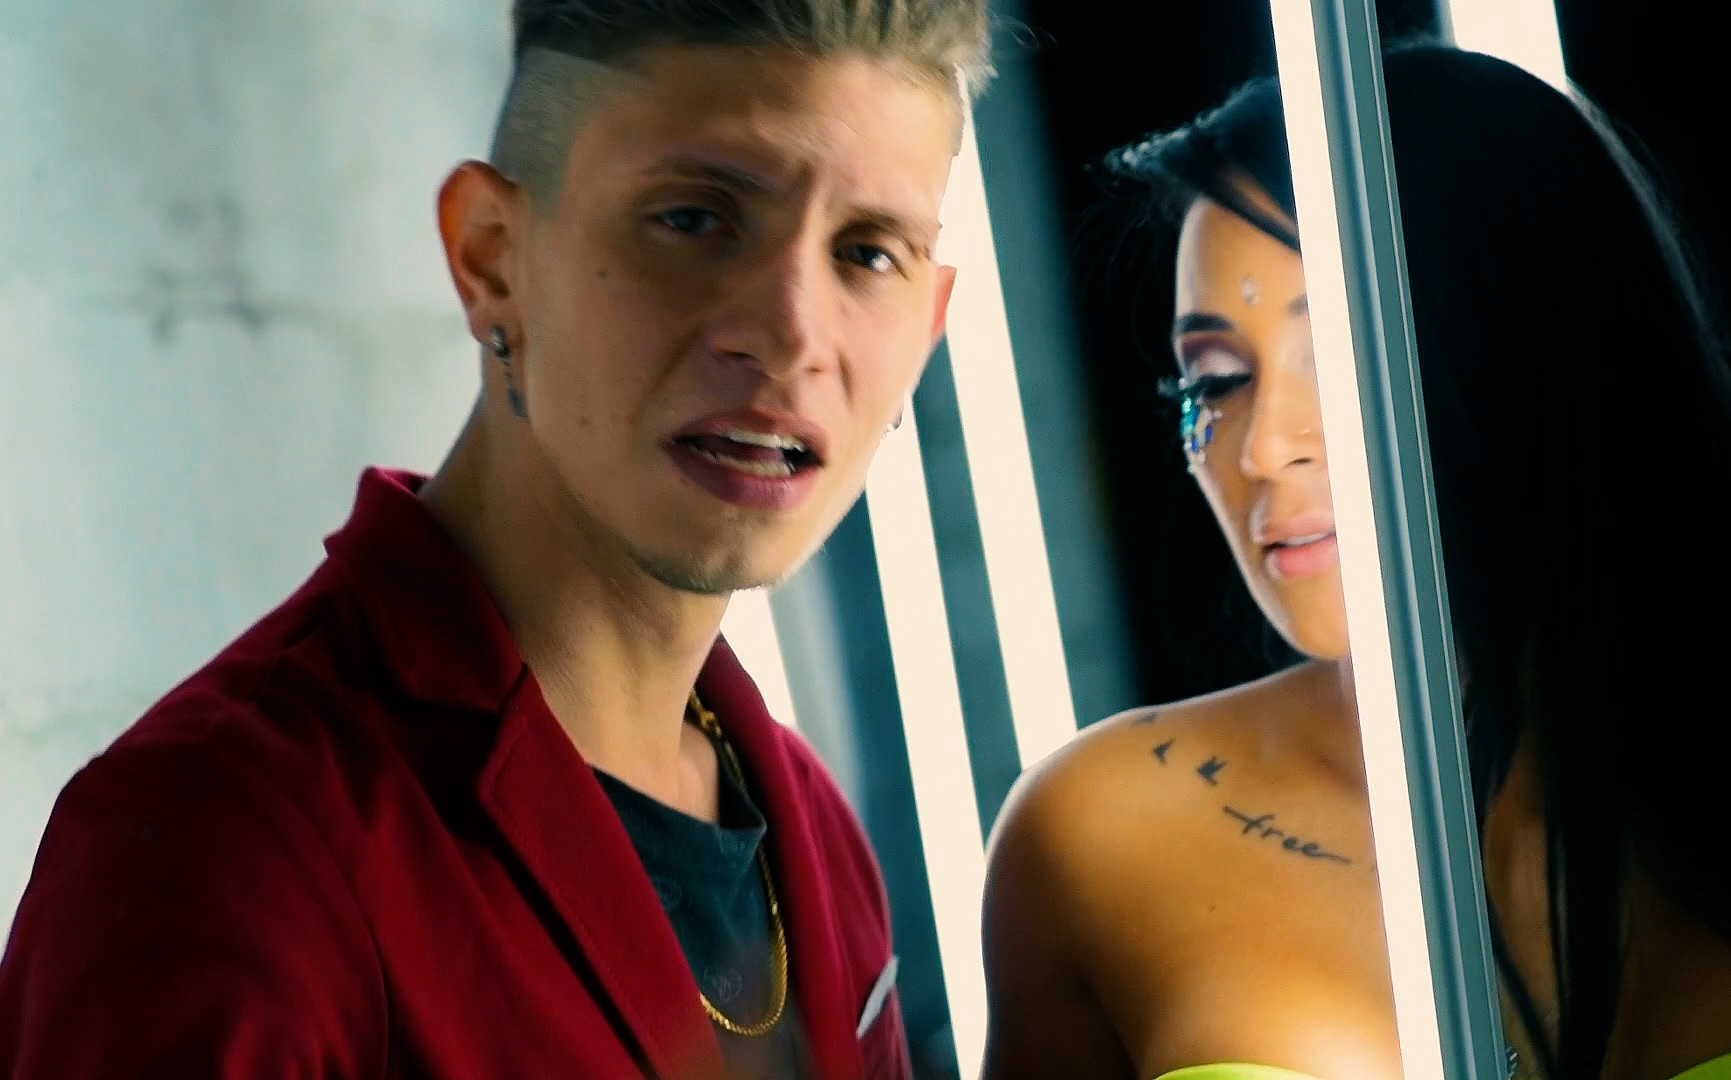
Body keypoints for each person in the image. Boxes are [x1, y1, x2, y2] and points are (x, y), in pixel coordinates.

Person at [0, 1, 990, 1077]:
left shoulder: (818, 837)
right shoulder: (223, 845)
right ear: (492, 259)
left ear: (929, 326)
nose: (794, 334)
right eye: (696, 219)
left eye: (869, 253)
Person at [981, 44, 1731, 1080]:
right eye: (1214, 381)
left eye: (1344, 353)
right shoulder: (1102, 837)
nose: (1262, 449)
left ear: (1542, 343)